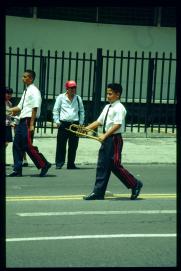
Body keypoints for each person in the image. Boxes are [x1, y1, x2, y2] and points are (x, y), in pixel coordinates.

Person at [83, 83, 143, 200]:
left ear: (117, 94)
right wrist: (85, 129)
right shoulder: (107, 107)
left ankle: (135, 184)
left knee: (115, 165)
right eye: (107, 93)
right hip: (107, 139)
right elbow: (99, 121)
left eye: (110, 94)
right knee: (102, 165)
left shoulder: (119, 108)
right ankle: (98, 192)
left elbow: (117, 125)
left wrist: (104, 135)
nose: (108, 96)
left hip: (114, 139)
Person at [7, 69, 51, 177]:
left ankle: (44, 164)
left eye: (25, 76)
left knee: (28, 145)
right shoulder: (26, 91)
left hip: (28, 120)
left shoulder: (34, 91)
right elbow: (19, 107)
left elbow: (35, 107)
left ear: (30, 78)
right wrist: (7, 110)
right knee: (17, 144)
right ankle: (17, 169)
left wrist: (31, 124)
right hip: (22, 120)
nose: (23, 78)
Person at [53, 80, 85, 169]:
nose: (73, 89)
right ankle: (59, 163)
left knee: (73, 145)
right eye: (71, 88)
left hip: (75, 124)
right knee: (61, 145)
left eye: (74, 88)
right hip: (63, 124)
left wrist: (81, 123)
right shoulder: (61, 97)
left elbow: (81, 111)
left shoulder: (78, 98)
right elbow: (56, 110)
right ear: (67, 88)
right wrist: (57, 121)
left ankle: (71, 164)